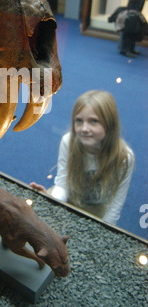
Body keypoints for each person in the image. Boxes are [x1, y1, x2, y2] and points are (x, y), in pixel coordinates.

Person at [30, 90, 135, 225]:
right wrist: (51, 201)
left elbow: (115, 205)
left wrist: (104, 230)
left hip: (96, 211)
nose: (84, 128)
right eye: (79, 121)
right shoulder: (68, 142)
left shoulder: (125, 157)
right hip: (66, 200)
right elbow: (62, 186)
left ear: (110, 125)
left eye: (94, 121)